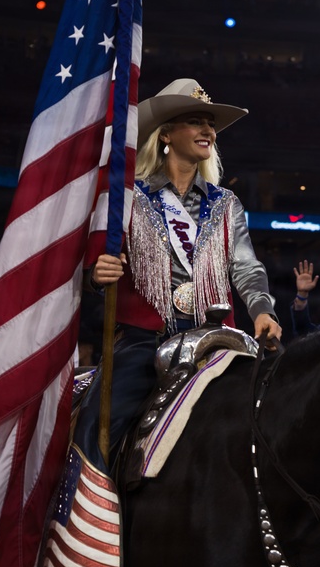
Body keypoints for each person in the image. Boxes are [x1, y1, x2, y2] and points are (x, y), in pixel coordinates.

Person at [75, 78, 282, 468]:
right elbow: (98, 268)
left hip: (216, 339)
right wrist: (96, 275)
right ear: (166, 133)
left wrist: (263, 311)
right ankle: (87, 519)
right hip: (144, 342)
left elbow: (246, 266)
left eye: (210, 124)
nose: (207, 130)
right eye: (195, 121)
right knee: (96, 430)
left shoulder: (226, 203)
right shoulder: (130, 197)